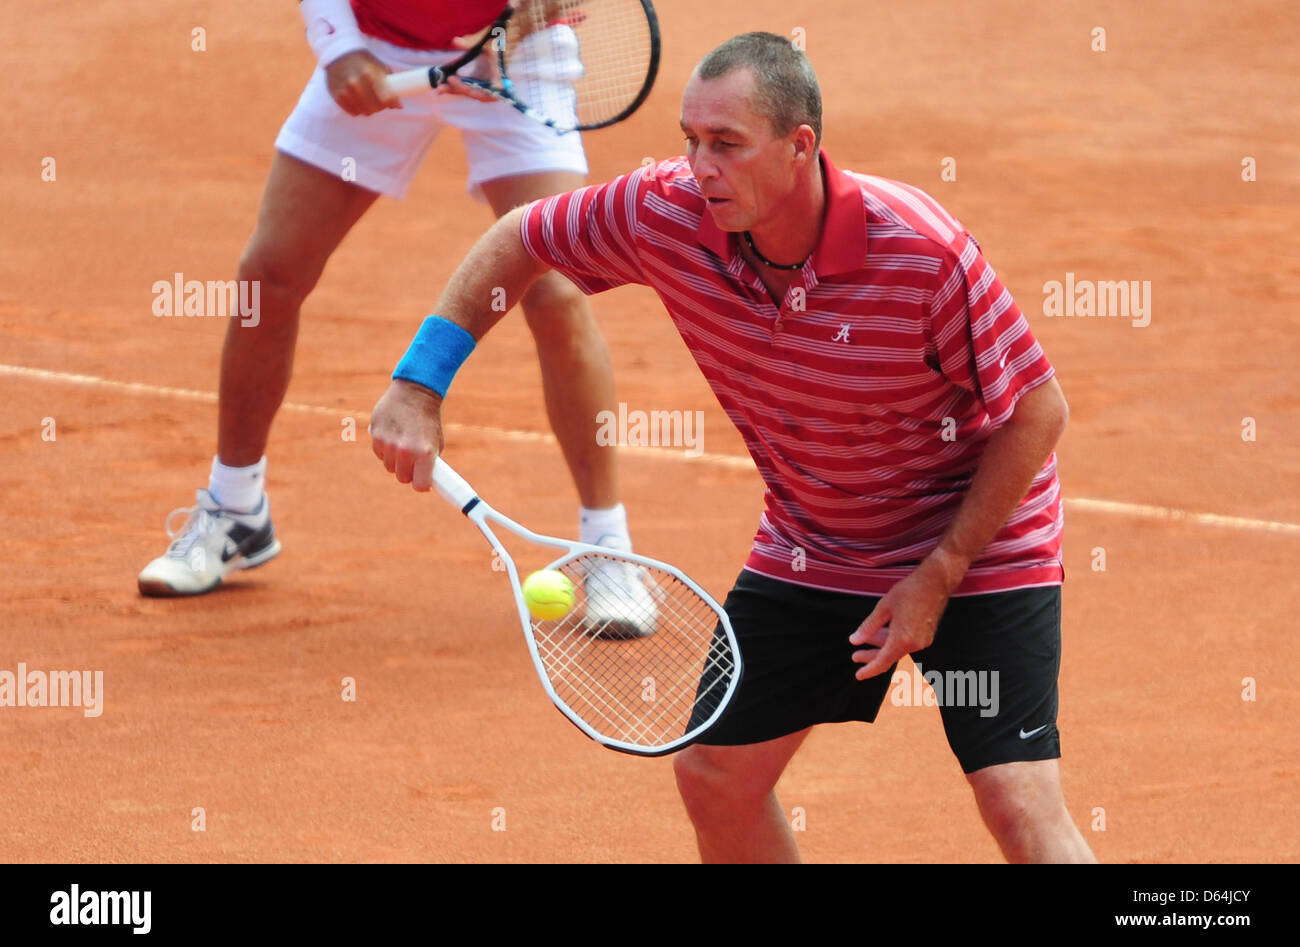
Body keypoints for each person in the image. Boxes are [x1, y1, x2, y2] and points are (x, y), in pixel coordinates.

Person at [368, 31, 1097, 863]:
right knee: (715, 778)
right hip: (814, 545)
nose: (699, 166)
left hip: (976, 541)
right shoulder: (665, 212)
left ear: (800, 148)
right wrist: (420, 383)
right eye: (690, 140)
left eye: (725, 145)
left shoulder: (923, 253)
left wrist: (938, 573)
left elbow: (1040, 411)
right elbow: (523, 238)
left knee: (1017, 802)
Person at [138, 0, 655, 633]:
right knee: (267, 276)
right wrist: (337, 47)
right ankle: (234, 507)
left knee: (556, 288)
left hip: (513, 56)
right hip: (377, 42)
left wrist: (515, 27)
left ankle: (607, 548)